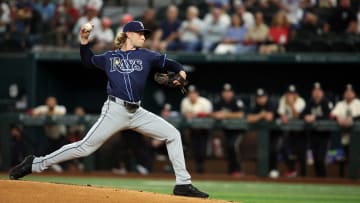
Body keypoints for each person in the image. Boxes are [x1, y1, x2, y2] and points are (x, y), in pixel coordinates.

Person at [9, 20, 209, 198]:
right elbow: (88, 61)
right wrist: (84, 41)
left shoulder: (147, 55)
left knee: (172, 133)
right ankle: (35, 163)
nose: (143, 36)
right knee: (84, 147)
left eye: (145, 34)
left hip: (137, 112)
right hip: (115, 109)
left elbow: (172, 63)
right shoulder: (109, 57)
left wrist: (181, 73)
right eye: (140, 33)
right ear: (129, 34)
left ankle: (183, 183)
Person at [211, 83, 245, 177]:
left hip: (238, 130)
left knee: (233, 145)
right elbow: (213, 113)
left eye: (229, 92)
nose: (227, 93)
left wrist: (225, 115)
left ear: (232, 93)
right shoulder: (219, 101)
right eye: (225, 92)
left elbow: (240, 114)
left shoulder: (237, 101)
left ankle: (239, 169)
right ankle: (232, 171)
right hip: (227, 131)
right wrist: (217, 114)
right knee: (229, 148)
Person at [247, 88, 280, 178]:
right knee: (263, 150)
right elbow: (249, 118)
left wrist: (258, 116)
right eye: (258, 97)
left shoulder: (271, 103)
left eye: (262, 97)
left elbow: (269, 117)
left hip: (277, 132)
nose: (260, 99)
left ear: (266, 97)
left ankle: (273, 169)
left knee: (273, 149)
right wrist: (262, 114)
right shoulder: (257, 106)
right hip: (264, 135)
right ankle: (265, 171)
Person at [302, 82, 333, 178]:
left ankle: (323, 179)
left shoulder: (327, 102)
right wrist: (305, 116)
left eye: (318, 91)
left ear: (322, 92)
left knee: (320, 159)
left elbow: (329, 116)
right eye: (315, 90)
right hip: (313, 135)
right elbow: (302, 114)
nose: (316, 93)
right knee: (315, 160)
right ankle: (318, 179)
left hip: (324, 136)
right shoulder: (310, 102)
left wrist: (315, 117)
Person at [180, 85, 213, 174]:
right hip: (192, 129)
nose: (192, 95)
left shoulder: (204, 102)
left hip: (204, 129)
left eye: (194, 93)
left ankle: (202, 167)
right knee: (194, 149)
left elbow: (210, 115)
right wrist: (188, 114)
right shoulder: (185, 101)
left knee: (203, 149)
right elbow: (184, 114)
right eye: (190, 93)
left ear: (197, 94)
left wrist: (197, 114)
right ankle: (197, 168)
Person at [330, 83, 360, 177]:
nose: (348, 93)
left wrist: (352, 119)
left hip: (358, 136)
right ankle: (349, 180)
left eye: (350, 91)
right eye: (346, 91)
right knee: (347, 157)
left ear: (354, 94)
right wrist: (338, 118)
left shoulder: (358, 103)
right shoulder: (340, 104)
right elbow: (332, 115)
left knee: (356, 158)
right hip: (346, 135)